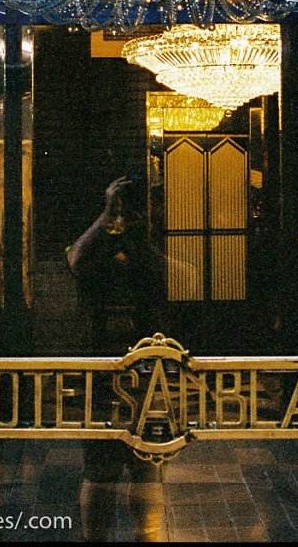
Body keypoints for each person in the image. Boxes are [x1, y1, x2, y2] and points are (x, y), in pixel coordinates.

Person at [66, 175, 168, 543]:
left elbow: (166, 272)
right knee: (99, 466)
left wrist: (129, 232)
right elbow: (76, 260)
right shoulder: (96, 246)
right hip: (102, 365)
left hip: (145, 364)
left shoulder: (144, 247)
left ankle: (148, 535)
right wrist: (106, 220)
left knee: (146, 464)